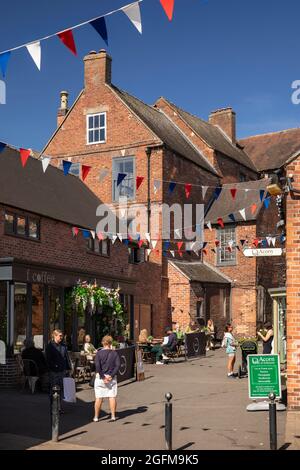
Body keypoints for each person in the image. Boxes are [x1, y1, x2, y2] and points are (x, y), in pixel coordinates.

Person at [93, 335, 121, 422]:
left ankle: (96, 417)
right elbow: (118, 366)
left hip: (100, 378)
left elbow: (97, 366)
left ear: (102, 342)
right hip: (111, 378)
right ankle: (113, 416)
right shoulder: (114, 353)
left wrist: (102, 377)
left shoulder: (98, 353)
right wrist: (111, 376)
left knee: (99, 398)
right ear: (110, 343)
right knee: (112, 396)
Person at [45, 329, 72, 409]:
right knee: (54, 389)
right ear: (54, 336)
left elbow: (66, 357)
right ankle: (53, 406)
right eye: (60, 336)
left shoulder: (63, 346)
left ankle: (59, 407)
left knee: (61, 389)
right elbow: (48, 360)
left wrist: (69, 368)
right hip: (54, 372)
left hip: (62, 370)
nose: (61, 337)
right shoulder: (50, 346)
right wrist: (53, 368)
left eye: (62, 335)